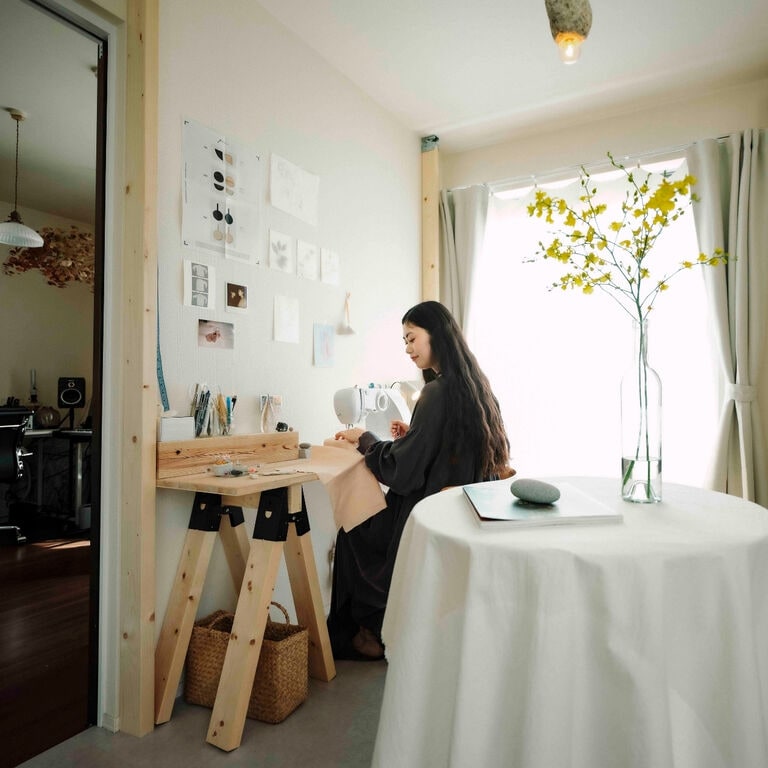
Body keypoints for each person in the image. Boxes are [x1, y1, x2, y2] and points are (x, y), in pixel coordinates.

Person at [328, 300, 511, 660]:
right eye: (405, 342)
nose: (408, 349)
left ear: (436, 336)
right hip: (462, 508)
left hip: (427, 512)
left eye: (412, 339)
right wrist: (416, 433)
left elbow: (404, 470)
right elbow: (456, 447)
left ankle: (372, 633)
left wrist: (365, 439)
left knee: (352, 530)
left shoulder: (436, 391)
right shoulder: (475, 385)